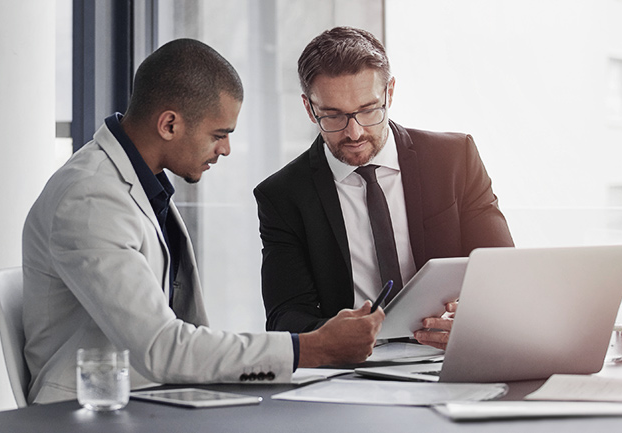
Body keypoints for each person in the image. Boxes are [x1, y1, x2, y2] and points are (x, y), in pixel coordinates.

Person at [22, 38, 384, 405]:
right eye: (219, 135)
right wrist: (311, 348)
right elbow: (162, 348)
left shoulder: (139, 185)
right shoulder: (90, 198)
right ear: (169, 124)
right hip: (89, 413)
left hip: (154, 400)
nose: (225, 149)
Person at [254, 27, 513, 349]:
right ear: (309, 108)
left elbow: (504, 275)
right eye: (333, 116)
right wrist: (333, 335)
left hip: (452, 354)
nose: (354, 132)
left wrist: (473, 320)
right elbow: (284, 315)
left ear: (390, 93)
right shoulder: (282, 195)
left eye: (368, 110)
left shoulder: (454, 158)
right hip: (352, 367)